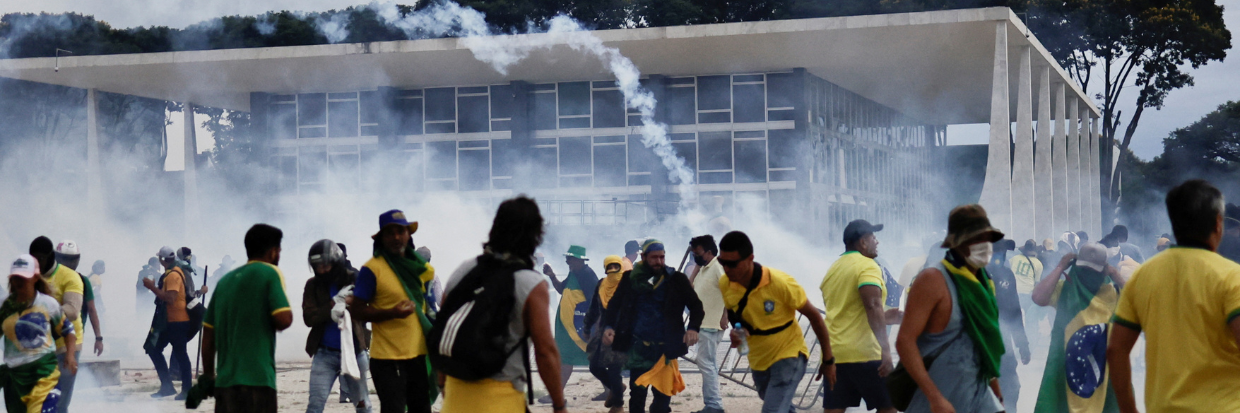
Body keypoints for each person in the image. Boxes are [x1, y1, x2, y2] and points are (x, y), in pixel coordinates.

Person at [1108, 179, 1240, 413]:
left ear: (1174, 223)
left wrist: (1129, 409)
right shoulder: (1231, 277)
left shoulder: (1143, 276)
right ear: (1218, 224)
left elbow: (1116, 350)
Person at [439, 196, 568, 413]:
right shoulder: (531, 283)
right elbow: (545, 352)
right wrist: (559, 404)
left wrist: (443, 384)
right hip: (502, 400)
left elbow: (442, 333)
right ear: (535, 236)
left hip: (455, 397)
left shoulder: (463, 272)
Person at [896, 204, 1005, 413]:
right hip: (937, 400)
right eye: (975, 239)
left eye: (986, 239)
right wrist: (934, 398)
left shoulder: (984, 283)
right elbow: (905, 341)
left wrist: (995, 387)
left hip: (979, 397)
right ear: (957, 242)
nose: (984, 245)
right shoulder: (932, 279)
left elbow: (983, 342)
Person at [718, 231, 833, 413]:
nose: (726, 268)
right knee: (781, 407)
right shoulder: (725, 283)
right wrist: (738, 332)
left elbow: (815, 317)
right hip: (758, 359)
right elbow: (735, 314)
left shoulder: (780, 283)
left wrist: (828, 360)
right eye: (722, 262)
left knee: (772, 410)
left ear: (750, 259)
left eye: (732, 263)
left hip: (789, 355)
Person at [349, 210, 437, 413]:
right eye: (390, 233)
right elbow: (357, 310)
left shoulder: (419, 268)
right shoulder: (372, 269)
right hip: (387, 359)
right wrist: (392, 313)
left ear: (408, 234)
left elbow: (429, 307)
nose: (396, 237)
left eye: (401, 231)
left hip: (419, 355)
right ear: (381, 237)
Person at [602, 239, 704, 413]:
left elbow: (696, 306)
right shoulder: (630, 279)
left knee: (662, 403)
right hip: (638, 348)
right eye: (654, 257)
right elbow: (614, 305)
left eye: (662, 257)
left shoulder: (675, 279)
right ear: (643, 257)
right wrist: (608, 327)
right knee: (637, 399)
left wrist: (693, 328)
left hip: (665, 351)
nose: (659, 261)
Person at [200, 223, 293, 413]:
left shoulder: (224, 282)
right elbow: (283, 319)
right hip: (258, 380)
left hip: (225, 384)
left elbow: (208, 335)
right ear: (274, 252)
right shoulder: (270, 273)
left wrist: (209, 376)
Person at [1029, 241, 1123, 412]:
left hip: (1102, 369)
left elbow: (1138, 302)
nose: (1089, 275)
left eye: (1093, 271)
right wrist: (1059, 268)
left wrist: (1116, 275)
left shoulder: (1112, 292)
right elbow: (1038, 297)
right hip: (1068, 367)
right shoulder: (1065, 289)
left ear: (1103, 270)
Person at [820, 220, 899, 413]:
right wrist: (886, 350)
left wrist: (886, 317)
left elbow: (847, 312)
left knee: (835, 410)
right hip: (866, 354)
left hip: (836, 353)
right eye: (873, 237)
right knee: (889, 407)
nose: (877, 242)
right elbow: (872, 306)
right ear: (863, 242)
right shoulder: (867, 266)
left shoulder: (834, 268)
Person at [1, 254, 77, 413]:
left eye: (24, 277)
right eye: (16, 277)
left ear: (35, 278)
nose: (19, 281)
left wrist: (70, 356)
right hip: (15, 377)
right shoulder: (6, 306)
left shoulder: (48, 304)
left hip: (43, 372)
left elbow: (68, 331)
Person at [302, 239, 372, 413]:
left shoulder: (354, 278)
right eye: (317, 266)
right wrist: (334, 304)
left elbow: (368, 310)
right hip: (324, 354)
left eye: (325, 265)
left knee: (363, 406)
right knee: (314, 406)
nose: (322, 270)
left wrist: (351, 303)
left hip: (355, 352)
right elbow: (309, 317)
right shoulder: (312, 285)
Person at [28, 237, 85, 408]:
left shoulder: (70, 277)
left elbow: (73, 310)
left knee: (59, 401)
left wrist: (41, 314)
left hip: (65, 345)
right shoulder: (30, 276)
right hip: (39, 346)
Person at [539, 244, 599, 403]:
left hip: (578, 327)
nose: (567, 261)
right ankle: (613, 388)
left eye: (570, 258)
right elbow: (561, 289)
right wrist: (552, 276)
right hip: (569, 326)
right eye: (567, 258)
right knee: (585, 358)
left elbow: (596, 302)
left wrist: (593, 327)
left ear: (579, 260)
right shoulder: (574, 273)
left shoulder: (587, 275)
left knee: (567, 358)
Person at [51, 240, 103, 412]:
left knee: (64, 390)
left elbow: (92, 310)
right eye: (66, 259)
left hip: (69, 343)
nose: (70, 263)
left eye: (73, 259)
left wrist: (98, 338)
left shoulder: (82, 281)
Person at [143, 246, 196, 399]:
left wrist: (152, 287)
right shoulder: (172, 272)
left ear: (162, 259)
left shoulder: (173, 275)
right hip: (169, 322)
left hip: (178, 321)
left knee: (181, 355)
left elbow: (171, 298)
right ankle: (167, 386)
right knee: (153, 349)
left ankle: (186, 390)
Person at [986, 239, 1031, 413]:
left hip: (1004, 347)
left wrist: (1023, 345)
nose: (1000, 256)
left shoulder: (1007, 275)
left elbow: (1014, 311)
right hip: (979, 345)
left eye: (1002, 253)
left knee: (1011, 388)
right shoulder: (973, 274)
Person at [687, 235, 727, 413]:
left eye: (698, 253)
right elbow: (689, 287)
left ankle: (714, 404)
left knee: (706, 362)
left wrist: (725, 316)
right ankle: (711, 403)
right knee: (707, 362)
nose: (695, 255)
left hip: (712, 323)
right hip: (703, 323)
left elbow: (730, 291)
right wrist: (697, 265)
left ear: (709, 252)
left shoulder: (718, 267)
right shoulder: (704, 268)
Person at [584, 255, 629, 413]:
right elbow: (594, 309)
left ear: (620, 267)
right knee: (594, 366)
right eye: (609, 267)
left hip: (622, 333)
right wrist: (587, 327)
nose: (612, 271)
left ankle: (618, 405)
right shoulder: (601, 285)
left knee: (615, 368)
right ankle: (616, 389)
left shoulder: (627, 286)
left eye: (615, 267)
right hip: (602, 332)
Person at [1011, 240, 1046, 343]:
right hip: (1028, 293)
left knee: (1014, 320)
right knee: (1030, 320)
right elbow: (1036, 282)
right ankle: (1031, 341)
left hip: (1014, 293)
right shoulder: (1038, 264)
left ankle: (1015, 341)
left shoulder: (1014, 259)